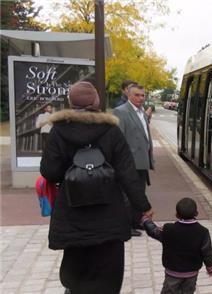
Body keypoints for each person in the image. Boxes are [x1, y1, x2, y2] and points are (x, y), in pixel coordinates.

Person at [40, 81, 153, 293]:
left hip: (73, 213)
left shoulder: (59, 131)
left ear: (71, 102)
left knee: (76, 267)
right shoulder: (110, 130)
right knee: (108, 270)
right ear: (96, 102)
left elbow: (49, 171)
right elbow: (128, 173)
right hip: (108, 213)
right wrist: (143, 206)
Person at [142, 198, 212, 294]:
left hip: (172, 273)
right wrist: (209, 267)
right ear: (196, 213)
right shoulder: (203, 231)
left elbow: (154, 232)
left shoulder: (168, 229)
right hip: (191, 274)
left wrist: (146, 220)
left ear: (176, 215)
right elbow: (207, 252)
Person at [113, 84, 154, 236]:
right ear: (128, 95)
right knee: (127, 195)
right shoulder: (121, 111)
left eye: (143, 95)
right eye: (137, 95)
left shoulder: (141, 112)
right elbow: (118, 138)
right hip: (129, 162)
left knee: (139, 193)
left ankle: (137, 221)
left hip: (142, 161)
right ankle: (126, 226)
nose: (140, 98)